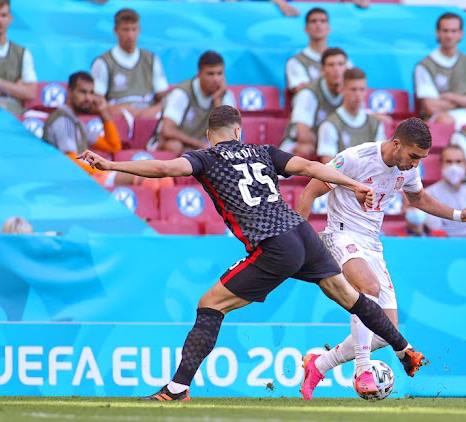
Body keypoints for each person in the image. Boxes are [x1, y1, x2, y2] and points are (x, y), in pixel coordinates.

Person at [79, 105, 427, 401]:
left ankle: (176, 388)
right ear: (238, 130)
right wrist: (355, 184)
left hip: (274, 243)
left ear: (209, 133)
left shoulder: (206, 158)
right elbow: (310, 167)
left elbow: (165, 168)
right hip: (304, 233)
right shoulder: (264, 151)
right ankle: (404, 349)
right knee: (351, 297)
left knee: (210, 304)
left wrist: (110, 166)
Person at [296, 118, 466, 399]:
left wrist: (459, 214)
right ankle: (363, 370)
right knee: (368, 289)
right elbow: (309, 193)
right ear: (396, 143)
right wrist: (299, 243)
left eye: (421, 159)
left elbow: (419, 199)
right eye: (413, 156)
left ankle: (319, 363)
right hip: (341, 234)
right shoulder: (354, 158)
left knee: (386, 329)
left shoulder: (408, 170)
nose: (415, 164)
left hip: (371, 245)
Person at [43, 71, 171, 189]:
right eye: (82, 92)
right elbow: (70, 160)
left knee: (165, 180)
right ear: (70, 92)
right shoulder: (63, 120)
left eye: (91, 93)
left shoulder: (77, 122)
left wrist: (104, 114)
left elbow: (113, 146)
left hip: (83, 177)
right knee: (146, 178)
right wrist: (103, 172)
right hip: (66, 180)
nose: (88, 98)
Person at [150, 51, 236, 154]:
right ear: (199, 74)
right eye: (210, 74)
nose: (216, 79)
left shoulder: (225, 96)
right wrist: (199, 144)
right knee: (174, 145)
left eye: (219, 73)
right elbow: (167, 130)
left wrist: (217, 101)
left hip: (201, 148)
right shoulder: (182, 93)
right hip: (167, 144)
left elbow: (230, 135)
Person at [91, 8, 169, 121]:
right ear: (116, 30)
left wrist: (155, 109)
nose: (130, 35)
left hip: (149, 117)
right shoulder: (103, 62)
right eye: (125, 30)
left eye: (133, 29)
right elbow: (97, 101)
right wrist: (120, 110)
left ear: (139, 30)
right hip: (118, 119)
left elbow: (163, 95)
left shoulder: (151, 59)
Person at [413, 12, 466, 124]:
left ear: (461, 33)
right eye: (445, 30)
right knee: (445, 121)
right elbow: (430, 107)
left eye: (453, 31)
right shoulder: (424, 66)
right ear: (437, 33)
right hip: (441, 119)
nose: (449, 35)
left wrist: (450, 97)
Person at [281, 48, 347, 157]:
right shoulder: (308, 93)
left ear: (347, 68)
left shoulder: (351, 91)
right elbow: (303, 135)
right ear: (323, 70)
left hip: (331, 146)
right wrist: (327, 144)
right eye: (331, 65)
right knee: (306, 148)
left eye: (340, 64)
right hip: (295, 144)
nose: (336, 69)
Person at [316, 68, 386, 164]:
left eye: (362, 89)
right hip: (340, 178)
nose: (358, 94)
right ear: (342, 89)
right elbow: (328, 167)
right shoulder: (329, 124)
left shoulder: (375, 123)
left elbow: (381, 161)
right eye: (353, 89)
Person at [424, 145, 466, 237]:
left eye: (458, 162)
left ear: (465, 165)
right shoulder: (429, 195)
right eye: (449, 162)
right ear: (441, 164)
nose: (454, 167)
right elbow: (436, 229)